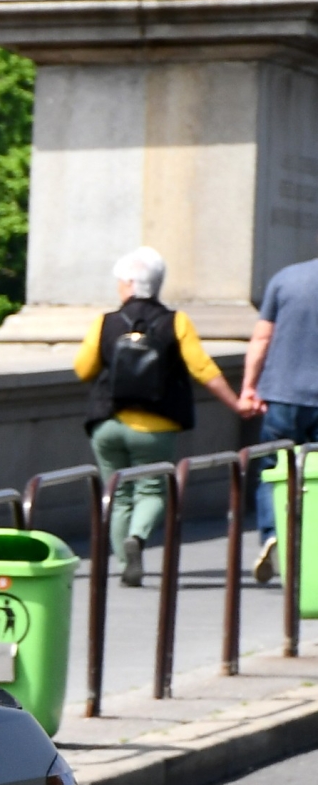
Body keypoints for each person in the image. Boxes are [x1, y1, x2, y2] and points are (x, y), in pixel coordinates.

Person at [73, 247, 255, 587]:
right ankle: (138, 539)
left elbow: (83, 368)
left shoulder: (105, 322)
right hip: (156, 427)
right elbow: (202, 368)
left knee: (117, 492)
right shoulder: (176, 322)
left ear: (128, 284)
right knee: (152, 490)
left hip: (108, 423)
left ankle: (126, 564)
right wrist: (236, 403)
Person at [239, 253, 318, 582]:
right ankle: (310, 547)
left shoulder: (286, 278)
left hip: (282, 395)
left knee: (273, 469)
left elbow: (261, 338)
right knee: (315, 477)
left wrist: (248, 388)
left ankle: (272, 534)